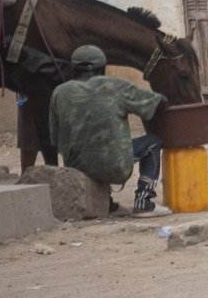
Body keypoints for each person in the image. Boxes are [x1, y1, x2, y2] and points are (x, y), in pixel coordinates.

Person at [48, 44, 165, 215]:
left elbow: (55, 138)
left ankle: (107, 204)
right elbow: (155, 102)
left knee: (90, 148)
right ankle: (144, 201)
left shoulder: (59, 92)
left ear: (73, 69)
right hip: (115, 166)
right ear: (102, 68)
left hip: (76, 167)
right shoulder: (115, 86)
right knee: (152, 142)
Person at [17, 0, 86, 172]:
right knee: (68, 126)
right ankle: (72, 174)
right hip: (66, 73)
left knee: (29, 128)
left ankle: (26, 175)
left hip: (30, 70)